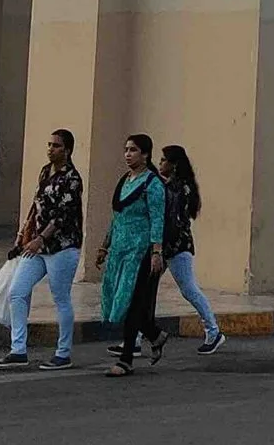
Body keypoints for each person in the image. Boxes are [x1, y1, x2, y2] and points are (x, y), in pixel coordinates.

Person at [0, 128, 84, 369]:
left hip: (62, 247)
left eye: (56, 145)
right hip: (37, 246)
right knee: (17, 291)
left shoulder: (72, 179)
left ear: (67, 150)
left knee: (60, 298)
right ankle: (18, 349)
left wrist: (41, 239)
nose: (50, 149)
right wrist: (23, 235)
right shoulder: (46, 171)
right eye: (49, 144)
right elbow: (36, 206)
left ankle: (63, 353)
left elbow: (62, 216)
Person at [97, 134, 166, 375]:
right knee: (122, 302)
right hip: (119, 250)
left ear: (145, 154)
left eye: (133, 150)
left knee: (134, 303)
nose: (128, 154)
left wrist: (157, 252)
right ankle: (156, 335)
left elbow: (158, 219)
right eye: (126, 149)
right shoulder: (125, 181)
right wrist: (105, 246)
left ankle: (125, 360)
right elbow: (118, 217)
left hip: (141, 252)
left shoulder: (153, 184)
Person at [156, 145, 227, 352]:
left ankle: (213, 331)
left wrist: (160, 247)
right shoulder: (171, 185)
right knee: (146, 289)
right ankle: (135, 337)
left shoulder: (181, 188)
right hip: (165, 247)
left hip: (177, 247)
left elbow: (175, 221)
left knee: (189, 289)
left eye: (163, 160)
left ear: (174, 164)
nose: (161, 163)